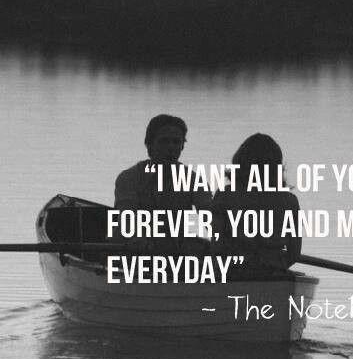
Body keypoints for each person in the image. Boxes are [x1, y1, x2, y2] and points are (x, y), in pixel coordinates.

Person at [114, 114, 212, 252]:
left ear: (182, 147)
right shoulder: (128, 178)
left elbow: (210, 217)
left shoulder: (194, 180)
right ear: (149, 145)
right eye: (164, 141)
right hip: (132, 249)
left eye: (176, 142)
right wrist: (139, 238)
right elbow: (127, 217)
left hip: (173, 250)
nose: (171, 147)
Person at [211, 133, 301, 275]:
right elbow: (294, 254)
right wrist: (276, 263)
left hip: (234, 272)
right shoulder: (290, 201)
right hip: (274, 272)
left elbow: (217, 246)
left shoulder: (225, 195)